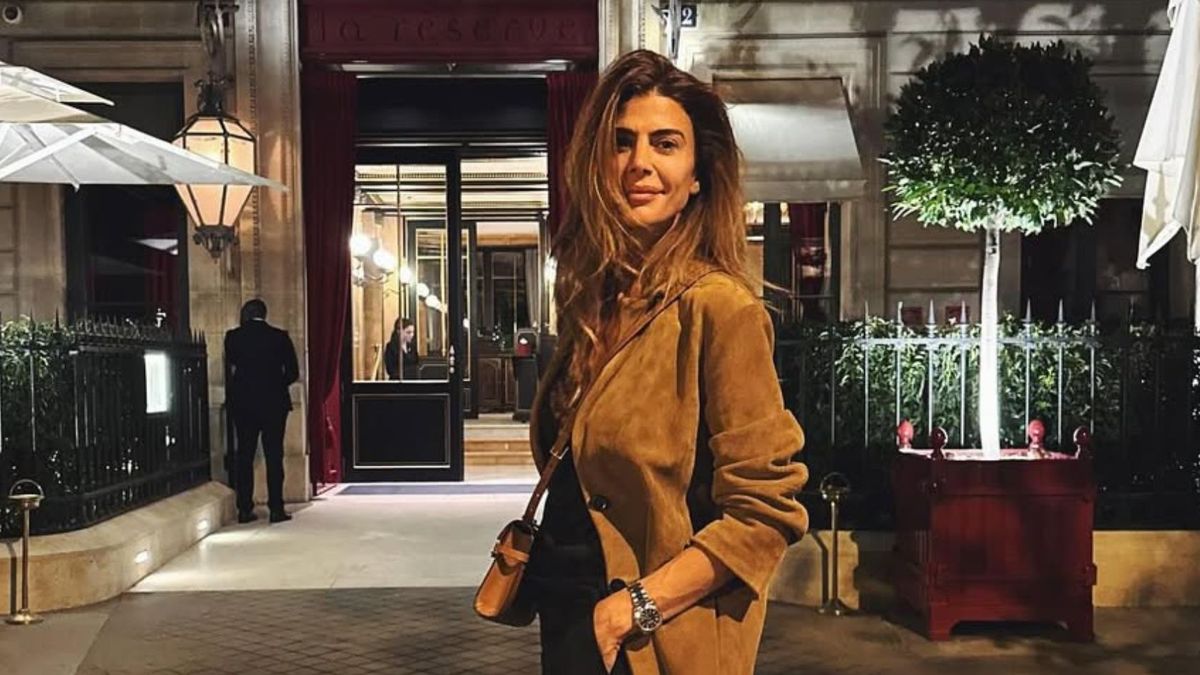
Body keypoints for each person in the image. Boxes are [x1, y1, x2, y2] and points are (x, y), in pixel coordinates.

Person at [521, 50, 809, 674]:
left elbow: (765, 512)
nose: (639, 163)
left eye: (666, 143)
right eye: (622, 142)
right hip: (571, 618)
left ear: (698, 173)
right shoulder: (595, 303)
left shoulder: (719, 309)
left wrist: (631, 610)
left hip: (656, 641)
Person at [225, 298, 300, 524]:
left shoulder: (234, 337)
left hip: (244, 404)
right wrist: (276, 384)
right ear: (264, 314)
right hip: (274, 404)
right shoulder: (279, 337)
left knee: (245, 456)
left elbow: (231, 365)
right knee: (274, 456)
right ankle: (276, 508)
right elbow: (293, 372)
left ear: (246, 314)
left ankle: (244, 508)